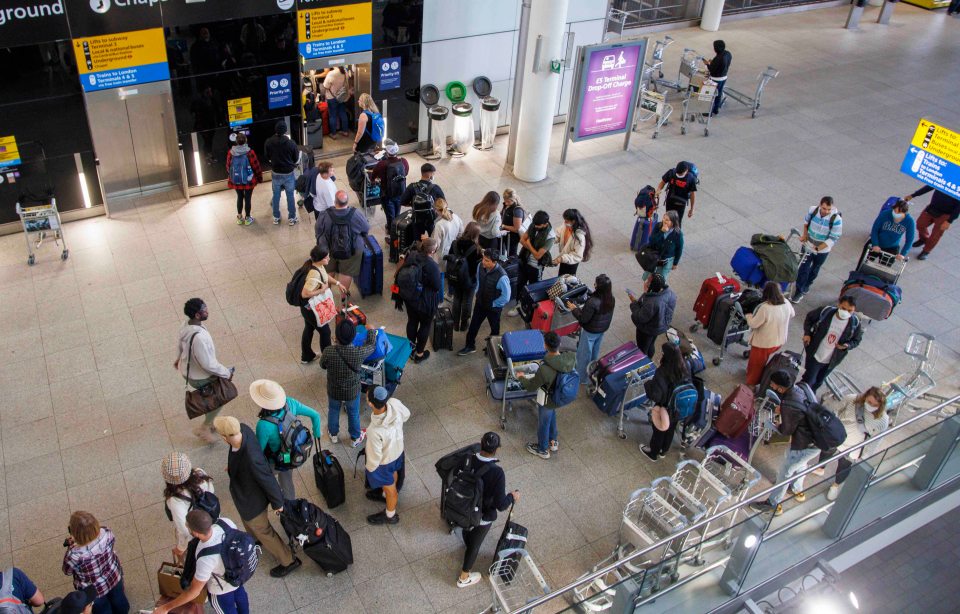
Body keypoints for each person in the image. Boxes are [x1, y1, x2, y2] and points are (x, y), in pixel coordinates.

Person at [212, 415, 302, 578]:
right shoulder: (243, 429)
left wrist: (278, 503)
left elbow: (267, 478)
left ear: (225, 438)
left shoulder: (251, 458)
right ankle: (255, 540)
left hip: (253, 500)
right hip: (246, 496)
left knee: (263, 529)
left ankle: (289, 560)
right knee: (250, 524)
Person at [456, 432, 520, 588]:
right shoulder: (497, 473)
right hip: (482, 514)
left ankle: (466, 535)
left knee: (468, 530)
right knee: (475, 545)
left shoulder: (468, 458)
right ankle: (464, 577)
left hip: (463, 506)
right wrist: (512, 496)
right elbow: (501, 504)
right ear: (497, 449)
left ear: (481, 443)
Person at [151, 510, 248, 614]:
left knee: (227, 610)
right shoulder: (225, 522)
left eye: (187, 526)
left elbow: (194, 591)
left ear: (196, 533)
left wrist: (166, 608)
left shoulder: (205, 557)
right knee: (241, 597)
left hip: (220, 591)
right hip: (237, 577)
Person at [751, 371, 819, 516]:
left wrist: (778, 420)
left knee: (785, 473)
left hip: (805, 443)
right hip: (815, 441)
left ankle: (773, 504)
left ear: (780, 388)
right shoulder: (801, 387)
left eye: (773, 384)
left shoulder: (789, 404)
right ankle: (796, 489)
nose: (771, 386)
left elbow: (786, 431)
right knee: (801, 463)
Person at [175, 298, 235, 443]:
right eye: (204, 309)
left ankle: (210, 422)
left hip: (189, 370)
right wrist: (226, 373)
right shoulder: (199, 338)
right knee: (217, 399)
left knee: (212, 397)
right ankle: (205, 427)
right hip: (200, 376)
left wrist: (178, 359)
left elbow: (181, 344)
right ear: (197, 315)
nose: (207, 311)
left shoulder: (185, 325)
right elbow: (207, 364)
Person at [252, 379, 322, 501]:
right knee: (286, 481)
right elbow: (315, 415)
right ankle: (290, 505)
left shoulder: (263, 425)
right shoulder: (290, 403)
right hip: (290, 455)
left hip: (273, 460)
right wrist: (317, 433)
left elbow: (258, 451)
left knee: (264, 476)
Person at [825, 387, 889, 501]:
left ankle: (836, 485)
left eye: (875, 405)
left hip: (853, 447)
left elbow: (876, 440)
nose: (871, 406)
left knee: (844, 467)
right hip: (836, 437)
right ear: (865, 397)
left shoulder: (882, 420)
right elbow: (836, 410)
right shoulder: (851, 399)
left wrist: (865, 456)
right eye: (869, 402)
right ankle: (820, 468)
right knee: (825, 452)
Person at [520, 332, 577, 459]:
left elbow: (531, 387)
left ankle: (542, 449)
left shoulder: (545, 369)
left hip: (549, 399)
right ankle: (553, 441)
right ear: (560, 343)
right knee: (552, 415)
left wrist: (521, 378)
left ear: (545, 345)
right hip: (563, 395)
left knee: (544, 422)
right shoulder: (570, 358)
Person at [321, 320, 377, 447]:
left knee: (333, 410)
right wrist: (371, 330)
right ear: (353, 336)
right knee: (353, 413)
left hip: (334, 389)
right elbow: (372, 346)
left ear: (336, 337)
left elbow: (322, 365)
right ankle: (355, 438)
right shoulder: (358, 352)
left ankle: (333, 434)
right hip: (352, 391)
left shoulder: (329, 351)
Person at [62, 511, 130, 613]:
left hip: (93, 590)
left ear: (73, 533)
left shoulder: (73, 555)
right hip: (113, 576)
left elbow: (67, 571)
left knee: (102, 609)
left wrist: (71, 546)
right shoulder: (107, 533)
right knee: (119, 599)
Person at [364, 386, 411, 525]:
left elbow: (374, 457)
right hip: (398, 452)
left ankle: (390, 515)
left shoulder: (374, 431)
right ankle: (385, 493)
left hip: (384, 462)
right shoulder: (394, 403)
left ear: (371, 404)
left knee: (390, 488)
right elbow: (406, 414)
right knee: (393, 474)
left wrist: (370, 469)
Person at [160, 451, 214, 564]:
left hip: (197, 530)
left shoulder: (175, 500)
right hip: (209, 518)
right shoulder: (200, 473)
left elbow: (184, 530)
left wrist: (181, 547)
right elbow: (211, 493)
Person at [801, 295, 863, 393]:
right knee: (809, 380)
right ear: (838, 304)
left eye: (850, 310)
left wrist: (847, 346)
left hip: (832, 360)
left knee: (818, 382)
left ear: (854, 310)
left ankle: (809, 397)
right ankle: (800, 395)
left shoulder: (855, 323)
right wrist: (807, 333)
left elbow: (856, 340)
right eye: (843, 308)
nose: (846, 312)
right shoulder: (826, 312)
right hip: (815, 354)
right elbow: (809, 318)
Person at [640, 343, 691, 461]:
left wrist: (648, 384)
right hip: (679, 405)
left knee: (659, 430)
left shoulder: (662, 371)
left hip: (665, 407)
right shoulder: (685, 366)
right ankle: (664, 450)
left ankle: (653, 453)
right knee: (671, 428)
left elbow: (656, 395)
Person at [314, 189, 371, 295]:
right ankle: (344, 298)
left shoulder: (324, 214)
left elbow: (318, 231)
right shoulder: (356, 213)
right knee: (346, 272)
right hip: (351, 250)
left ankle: (326, 295)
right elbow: (366, 229)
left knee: (328, 271)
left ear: (335, 202)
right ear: (347, 202)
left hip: (328, 249)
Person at [457, 249, 511, 356]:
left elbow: (506, 297)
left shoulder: (502, 277)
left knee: (495, 329)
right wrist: (477, 292)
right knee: (473, 326)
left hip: (493, 308)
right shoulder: (480, 266)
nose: (483, 262)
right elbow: (478, 280)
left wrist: (494, 304)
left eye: (487, 260)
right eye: (483, 259)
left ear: (494, 262)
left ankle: (492, 348)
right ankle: (470, 346)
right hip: (480, 304)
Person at [397, 239, 444, 363]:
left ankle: (410, 349)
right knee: (425, 325)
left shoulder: (412, 255)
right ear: (432, 251)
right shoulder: (432, 265)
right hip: (425, 301)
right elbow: (437, 286)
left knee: (412, 321)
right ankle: (419, 354)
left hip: (410, 297)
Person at [296, 246, 345, 364]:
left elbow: (324, 275)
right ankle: (327, 361)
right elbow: (305, 294)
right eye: (326, 256)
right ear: (320, 259)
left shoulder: (315, 265)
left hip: (306, 308)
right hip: (311, 309)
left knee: (309, 328)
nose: (329, 258)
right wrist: (322, 290)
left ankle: (306, 356)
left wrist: (337, 283)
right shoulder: (314, 275)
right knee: (325, 332)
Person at [744, 281, 795, 386]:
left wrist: (748, 315)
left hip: (763, 343)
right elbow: (792, 314)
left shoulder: (765, 308)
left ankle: (751, 384)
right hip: (779, 341)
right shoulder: (786, 302)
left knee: (756, 365)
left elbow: (753, 324)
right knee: (763, 361)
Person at [792, 196, 842, 303]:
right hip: (808, 245)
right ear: (820, 205)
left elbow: (833, 238)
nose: (826, 211)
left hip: (822, 250)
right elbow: (806, 223)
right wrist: (805, 235)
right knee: (803, 268)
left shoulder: (836, 219)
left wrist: (818, 248)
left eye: (829, 209)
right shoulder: (812, 210)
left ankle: (807, 284)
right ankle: (799, 291)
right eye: (824, 208)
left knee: (815, 268)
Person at [507, 211, 555, 317]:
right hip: (524, 259)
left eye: (539, 225)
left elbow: (538, 256)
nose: (536, 227)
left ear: (545, 224)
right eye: (535, 224)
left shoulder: (550, 237)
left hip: (535, 266)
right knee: (520, 284)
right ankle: (518, 305)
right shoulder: (534, 225)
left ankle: (530, 308)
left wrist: (528, 244)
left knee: (534, 288)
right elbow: (522, 240)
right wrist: (530, 246)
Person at [569, 274, 615, 382]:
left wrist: (574, 309)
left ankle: (581, 377)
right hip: (601, 330)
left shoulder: (592, 302)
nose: (594, 285)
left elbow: (583, 319)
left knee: (584, 354)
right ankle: (592, 371)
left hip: (590, 331)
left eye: (596, 284)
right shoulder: (610, 299)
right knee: (594, 352)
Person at [628, 273, 676, 361]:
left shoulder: (652, 302)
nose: (646, 282)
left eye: (648, 281)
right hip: (659, 326)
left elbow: (640, 317)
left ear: (652, 286)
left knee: (643, 348)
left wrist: (634, 303)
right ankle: (649, 358)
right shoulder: (671, 294)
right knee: (651, 344)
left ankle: (643, 363)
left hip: (647, 329)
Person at [905, 184, 959, 261]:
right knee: (920, 224)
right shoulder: (943, 179)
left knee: (936, 235)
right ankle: (924, 239)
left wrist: (949, 221)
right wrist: (913, 195)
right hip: (931, 208)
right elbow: (929, 187)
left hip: (945, 215)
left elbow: (958, 208)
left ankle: (926, 251)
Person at [263, 120, 300, 226]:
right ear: (285, 130)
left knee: (276, 195)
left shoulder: (269, 142)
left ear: (275, 130)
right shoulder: (291, 143)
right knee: (290, 195)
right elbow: (296, 158)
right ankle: (292, 218)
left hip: (276, 173)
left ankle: (276, 217)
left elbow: (267, 156)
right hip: (288, 173)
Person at [448, 222, 483, 331]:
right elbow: (475, 268)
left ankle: (454, 323)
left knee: (457, 299)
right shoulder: (476, 249)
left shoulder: (454, 243)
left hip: (455, 277)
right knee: (467, 301)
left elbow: (450, 258)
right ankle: (464, 324)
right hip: (469, 280)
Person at [371, 139, 409, 233]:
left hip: (387, 194)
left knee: (390, 215)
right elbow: (406, 173)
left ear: (386, 152)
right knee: (397, 212)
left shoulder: (382, 164)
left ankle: (391, 231)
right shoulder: (404, 161)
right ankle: (396, 226)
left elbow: (373, 177)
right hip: (400, 191)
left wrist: (375, 181)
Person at [399, 163, 445, 239]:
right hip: (431, 219)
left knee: (418, 238)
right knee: (433, 237)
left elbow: (402, 201)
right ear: (430, 174)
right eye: (433, 173)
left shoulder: (412, 187)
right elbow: (443, 203)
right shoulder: (435, 188)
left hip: (417, 219)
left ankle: (419, 247)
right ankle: (431, 249)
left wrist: (413, 205)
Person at [225, 133, 261, 226]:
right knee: (248, 198)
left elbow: (228, 166)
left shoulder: (231, 152)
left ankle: (240, 218)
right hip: (249, 180)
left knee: (239, 197)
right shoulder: (250, 152)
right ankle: (248, 218)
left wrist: (232, 175)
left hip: (236, 180)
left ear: (236, 141)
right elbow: (256, 166)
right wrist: (259, 177)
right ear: (246, 141)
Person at [643, 210, 683, 282]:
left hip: (666, 261)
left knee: (661, 280)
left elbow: (679, 249)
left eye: (667, 220)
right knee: (649, 277)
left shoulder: (678, 234)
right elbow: (651, 241)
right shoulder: (658, 226)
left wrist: (675, 263)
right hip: (654, 257)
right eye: (664, 218)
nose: (664, 221)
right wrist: (661, 232)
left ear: (673, 222)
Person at [656, 162, 698, 227]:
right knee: (667, 221)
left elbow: (692, 195)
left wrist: (692, 209)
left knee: (677, 224)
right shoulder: (671, 173)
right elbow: (662, 182)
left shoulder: (690, 178)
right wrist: (658, 190)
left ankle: (675, 235)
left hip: (680, 205)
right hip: (670, 202)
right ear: (686, 171)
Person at [552, 209, 592, 276]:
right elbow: (559, 234)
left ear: (573, 221)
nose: (564, 222)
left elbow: (577, 256)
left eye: (566, 221)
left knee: (567, 279)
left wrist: (561, 258)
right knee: (561, 276)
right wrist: (551, 240)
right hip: (564, 257)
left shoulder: (579, 236)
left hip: (571, 261)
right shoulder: (566, 224)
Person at [430, 198, 464, 262]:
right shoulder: (456, 217)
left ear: (436, 210)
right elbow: (461, 233)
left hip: (441, 255)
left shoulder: (439, 225)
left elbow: (436, 245)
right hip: (453, 250)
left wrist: (427, 240)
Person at [703, 40, 731, 116]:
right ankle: (716, 109)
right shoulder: (728, 54)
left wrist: (707, 64)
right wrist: (713, 63)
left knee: (711, 95)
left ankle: (709, 112)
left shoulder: (718, 58)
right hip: (724, 77)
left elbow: (711, 70)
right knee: (719, 94)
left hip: (716, 79)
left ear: (716, 48)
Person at [322, 66, 350, 138]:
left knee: (332, 116)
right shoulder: (345, 71)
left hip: (332, 98)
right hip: (342, 96)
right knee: (342, 113)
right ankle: (345, 131)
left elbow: (325, 86)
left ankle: (333, 134)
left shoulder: (331, 73)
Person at [500, 188, 526, 257]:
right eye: (505, 200)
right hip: (506, 234)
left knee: (511, 254)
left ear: (513, 200)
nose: (506, 203)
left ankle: (513, 266)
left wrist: (503, 226)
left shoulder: (517, 210)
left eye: (508, 201)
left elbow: (516, 229)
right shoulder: (507, 204)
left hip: (512, 238)